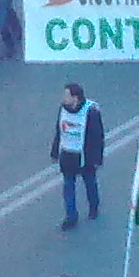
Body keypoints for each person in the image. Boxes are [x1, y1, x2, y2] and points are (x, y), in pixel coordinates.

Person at [50, 83, 105, 231]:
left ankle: (94, 207)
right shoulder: (63, 110)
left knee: (89, 183)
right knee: (68, 186)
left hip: (84, 156)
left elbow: (97, 137)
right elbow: (59, 131)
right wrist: (55, 152)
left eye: (66, 95)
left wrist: (97, 159)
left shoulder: (90, 112)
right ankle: (71, 216)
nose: (63, 98)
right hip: (67, 155)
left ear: (75, 98)